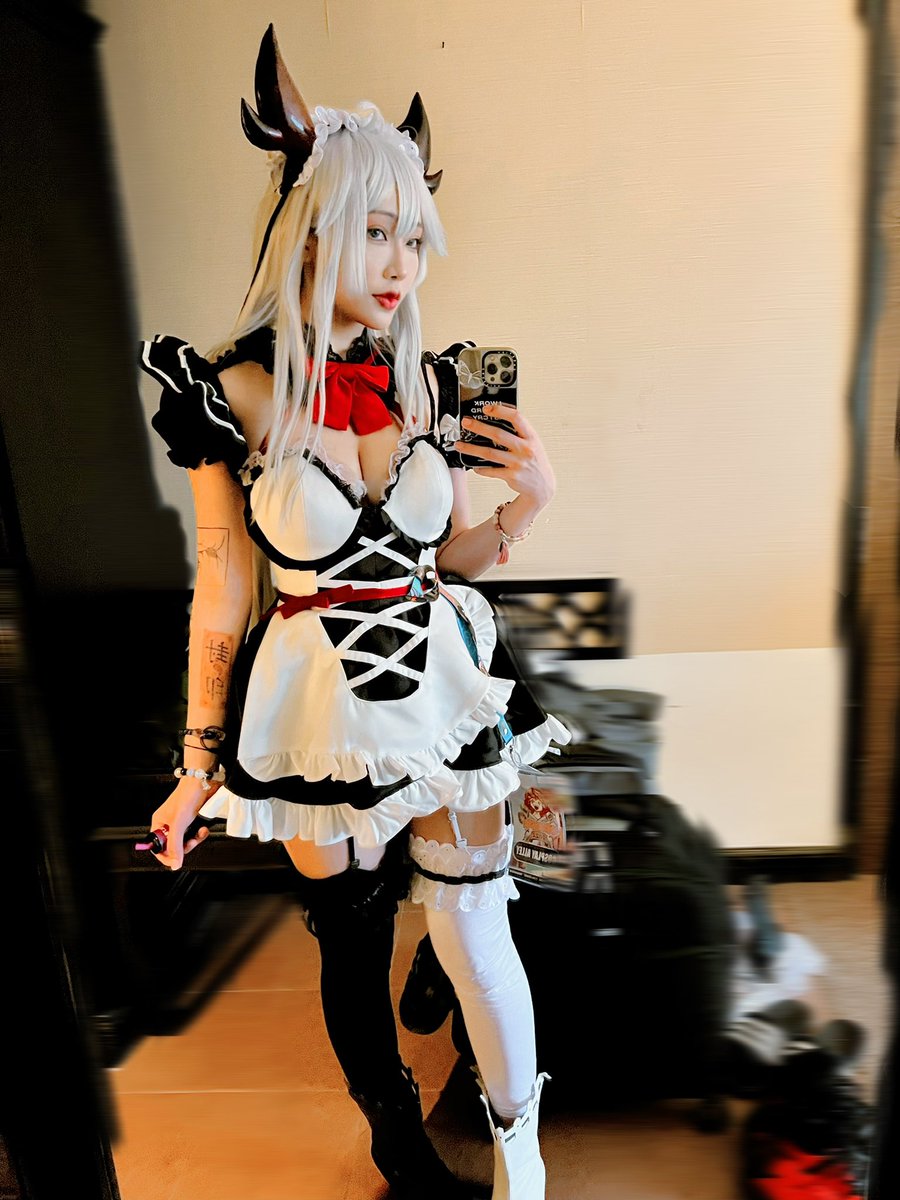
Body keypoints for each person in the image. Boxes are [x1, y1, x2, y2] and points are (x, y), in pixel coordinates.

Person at [138, 25, 569, 1200]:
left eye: (413, 236)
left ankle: (521, 1152)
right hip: (315, 709)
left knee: (479, 931)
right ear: (309, 225)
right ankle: (397, 1144)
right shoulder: (227, 392)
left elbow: (452, 559)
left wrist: (528, 504)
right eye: (377, 231)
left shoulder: (428, 382)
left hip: (440, 687)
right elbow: (224, 585)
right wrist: (195, 766)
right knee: (354, 938)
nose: (401, 264)